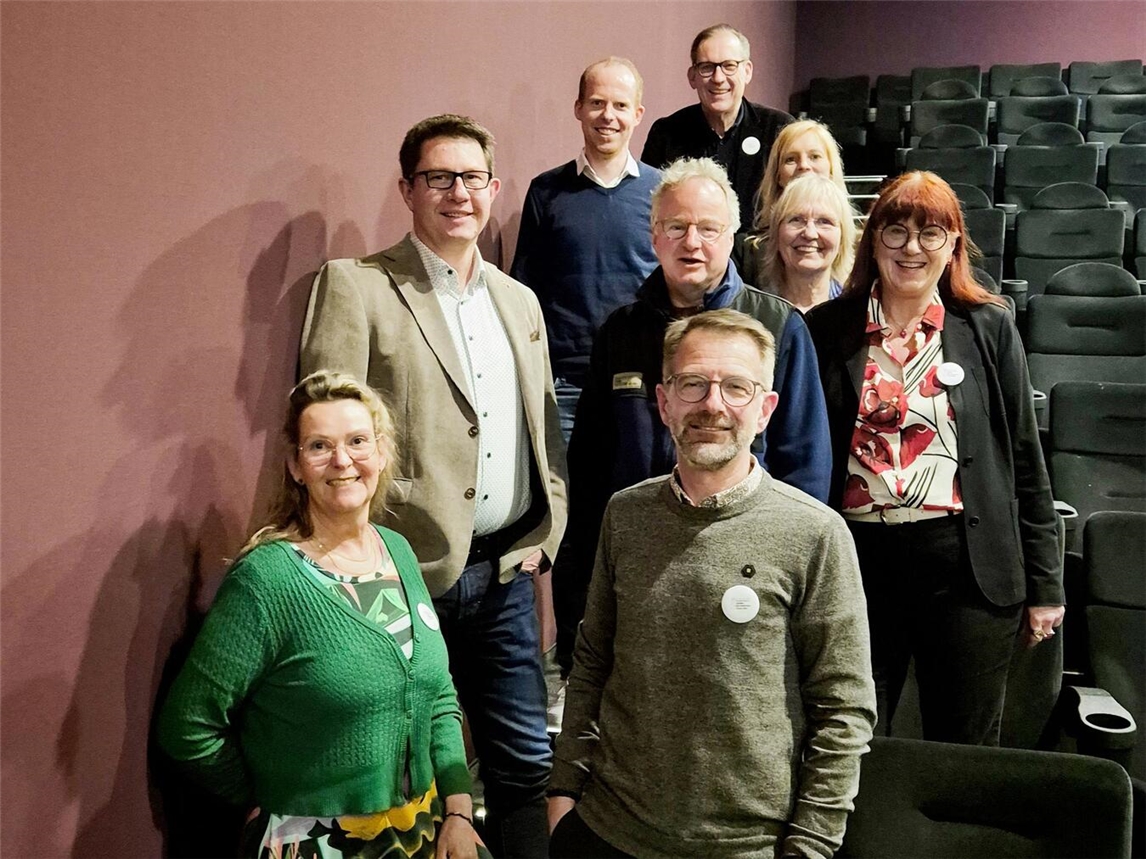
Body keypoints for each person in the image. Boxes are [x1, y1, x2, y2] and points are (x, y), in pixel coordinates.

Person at [299, 115, 568, 857]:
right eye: (438, 178)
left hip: (508, 572)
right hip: (400, 573)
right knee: (400, 765)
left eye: (472, 177)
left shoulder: (520, 301)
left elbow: (542, 428)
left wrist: (547, 534)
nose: (458, 193)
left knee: (521, 766)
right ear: (407, 190)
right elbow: (327, 436)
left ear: (495, 189)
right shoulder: (359, 287)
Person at [548, 310, 876, 859]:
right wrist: (563, 792)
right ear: (664, 401)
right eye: (692, 384)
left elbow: (843, 710)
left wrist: (812, 844)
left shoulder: (815, 533)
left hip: (748, 845)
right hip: (608, 829)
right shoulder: (625, 515)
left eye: (736, 388)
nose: (712, 404)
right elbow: (591, 665)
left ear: (766, 410)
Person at [157, 371, 487, 859]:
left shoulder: (396, 550)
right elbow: (188, 726)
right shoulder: (268, 580)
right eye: (319, 446)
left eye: (358, 441)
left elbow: (438, 697)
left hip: (425, 828)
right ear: (295, 466)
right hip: (318, 842)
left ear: (380, 452)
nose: (342, 461)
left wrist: (458, 811)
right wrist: (264, 798)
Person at [805, 170, 1065, 746]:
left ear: (952, 246)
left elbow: (1026, 455)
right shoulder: (826, 328)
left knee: (964, 742)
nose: (912, 249)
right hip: (858, 561)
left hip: (965, 566)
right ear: (873, 241)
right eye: (895, 232)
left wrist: (1047, 585)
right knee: (851, 736)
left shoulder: (987, 325)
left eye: (930, 234)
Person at [556, 157, 831, 675]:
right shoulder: (620, 332)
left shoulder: (778, 326)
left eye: (708, 229)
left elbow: (805, 469)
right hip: (641, 570)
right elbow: (589, 473)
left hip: (748, 575)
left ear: (731, 237)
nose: (692, 243)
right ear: (654, 237)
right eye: (676, 227)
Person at [511, 57, 661, 441]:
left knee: (634, 500)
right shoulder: (546, 191)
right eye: (597, 103)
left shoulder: (664, 193)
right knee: (565, 499)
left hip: (644, 384)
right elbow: (524, 291)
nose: (608, 115)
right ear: (578, 108)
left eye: (620, 105)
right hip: (564, 386)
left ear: (638, 114)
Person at [641, 23, 792, 232]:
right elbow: (650, 212)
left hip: (762, 259)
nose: (718, 78)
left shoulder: (780, 130)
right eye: (706, 67)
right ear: (692, 77)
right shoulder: (666, 134)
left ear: (747, 71)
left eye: (729, 66)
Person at [736, 120, 849, 289]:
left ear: (831, 169)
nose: (803, 165)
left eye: (814, 156)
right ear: (778, 175)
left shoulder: (859, 248)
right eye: (791, 159)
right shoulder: (747, 252)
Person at [753, 173, 857, 312]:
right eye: (796, 219)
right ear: (776, 234)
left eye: (824, 222)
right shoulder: (755, 312)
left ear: (842, 238)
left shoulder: (858, 313)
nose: (810, 233)